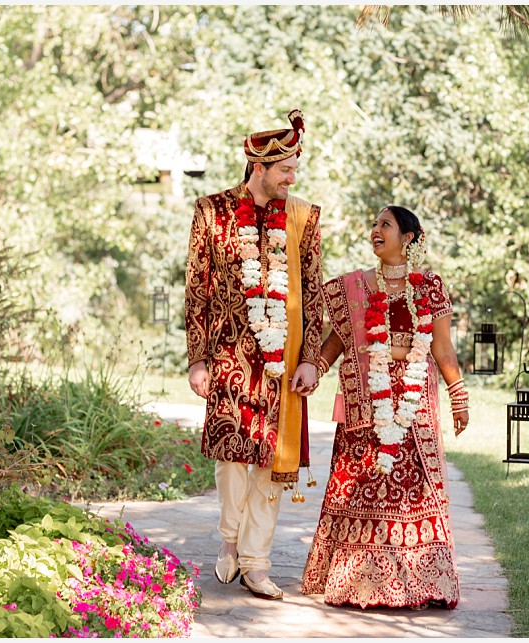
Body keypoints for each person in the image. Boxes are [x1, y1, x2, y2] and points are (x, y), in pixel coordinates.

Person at [184, 109, 324, 601]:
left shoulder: (304, 219)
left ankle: (256, 563)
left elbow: (313, 294)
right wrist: (197, 359)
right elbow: (196, 292)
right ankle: (229, 538)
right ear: (258, 166)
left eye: (294, 170)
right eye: (285, 169)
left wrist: (310, 358)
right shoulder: (212, 212)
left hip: (283, 362)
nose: (291, 178)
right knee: (231, 458)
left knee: (272, 465)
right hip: (227, 356)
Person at [300, 205, 469, 609]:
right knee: (361, 484)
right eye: (375, 224)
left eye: (385, 225)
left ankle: (421, 581)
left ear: (408, 237)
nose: (375, 230)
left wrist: (458, 395)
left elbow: (442, 347)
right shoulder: (353, 287)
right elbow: (338, 340)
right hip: (366, 403)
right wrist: (316, 369)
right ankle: (357, 582)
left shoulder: (429, 286)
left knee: (414, 488)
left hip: (414, 406)